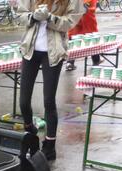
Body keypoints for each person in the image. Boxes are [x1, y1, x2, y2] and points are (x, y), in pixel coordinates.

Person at [17, 0, 83, 160]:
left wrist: (50, 18)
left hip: (53, 53)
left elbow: (70, 23)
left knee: (48, 101)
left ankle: (49, 146)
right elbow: (20, 15)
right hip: (30, 50)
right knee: (24, 102)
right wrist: (33, 16)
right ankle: (31, 133)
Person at [65, 0, 100, 71]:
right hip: (87, 22)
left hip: (76, 21)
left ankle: (70, 62)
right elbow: (92, 7)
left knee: (73, 42)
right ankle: (96, 61)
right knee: (92, 41)